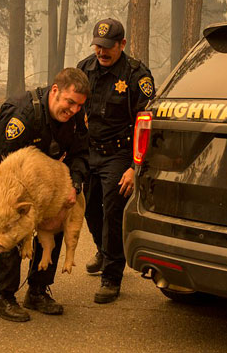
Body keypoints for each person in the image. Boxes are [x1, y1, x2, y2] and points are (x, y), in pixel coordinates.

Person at [0, 68, 90, 322]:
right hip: (7, 174)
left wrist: (74, 185)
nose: (74, 110)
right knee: (11, 227)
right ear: (55, 91)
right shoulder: (23, 112)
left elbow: (81, 154)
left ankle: (38, 291)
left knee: (59, 213)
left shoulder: (76, 118)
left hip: (44, 179)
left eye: (79, 105)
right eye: (70, 102)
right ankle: (3, 296)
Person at [77, 18, 155, 304]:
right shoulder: (84, 69)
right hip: (89, 151)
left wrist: (135, 168)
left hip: (119, 155)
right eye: (97, 46)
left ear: (122, 44)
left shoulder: (137, 75)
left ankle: (111, 276)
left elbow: (145, 125)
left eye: (108, 47)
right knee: (89, 208)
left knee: (112, 212)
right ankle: (103, 249)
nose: (101, 52)